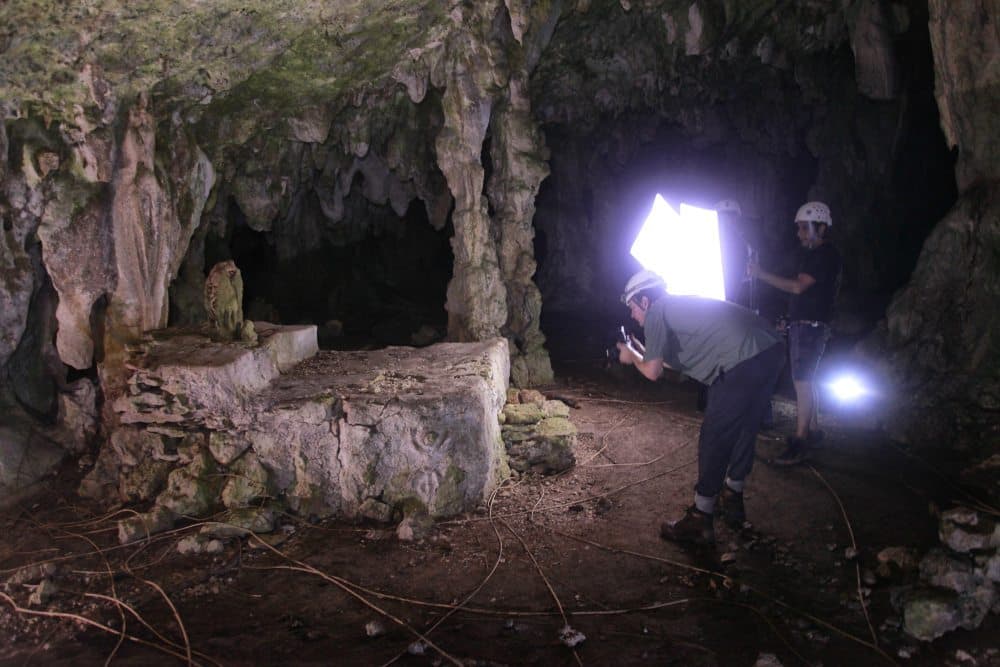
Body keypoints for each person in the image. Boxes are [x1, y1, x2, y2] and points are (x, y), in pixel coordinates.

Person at [616, 270, 785, 545]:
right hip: (770, 350)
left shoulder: (657, 311)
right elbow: (678, 359)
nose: (633, 315)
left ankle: (700, 517)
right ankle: (732, 497)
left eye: (632, 307)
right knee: (745, 427)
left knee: (715, 436)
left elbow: (652, 372)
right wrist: (643, 351)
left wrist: (630, 355)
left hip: (740, 361)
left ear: (644, 301)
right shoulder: (679, 306)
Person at [749, 201, 842, 465]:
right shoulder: (822, 255)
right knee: (807, 379)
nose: (799, 234)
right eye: (799, 228)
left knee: (802, 381)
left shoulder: (823, 255)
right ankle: (812, 431)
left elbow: (798, 287)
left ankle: (800, 440)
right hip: (808, 324)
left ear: (821, 228)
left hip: (811, 326)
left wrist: (760, 274)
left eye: (804, 228)